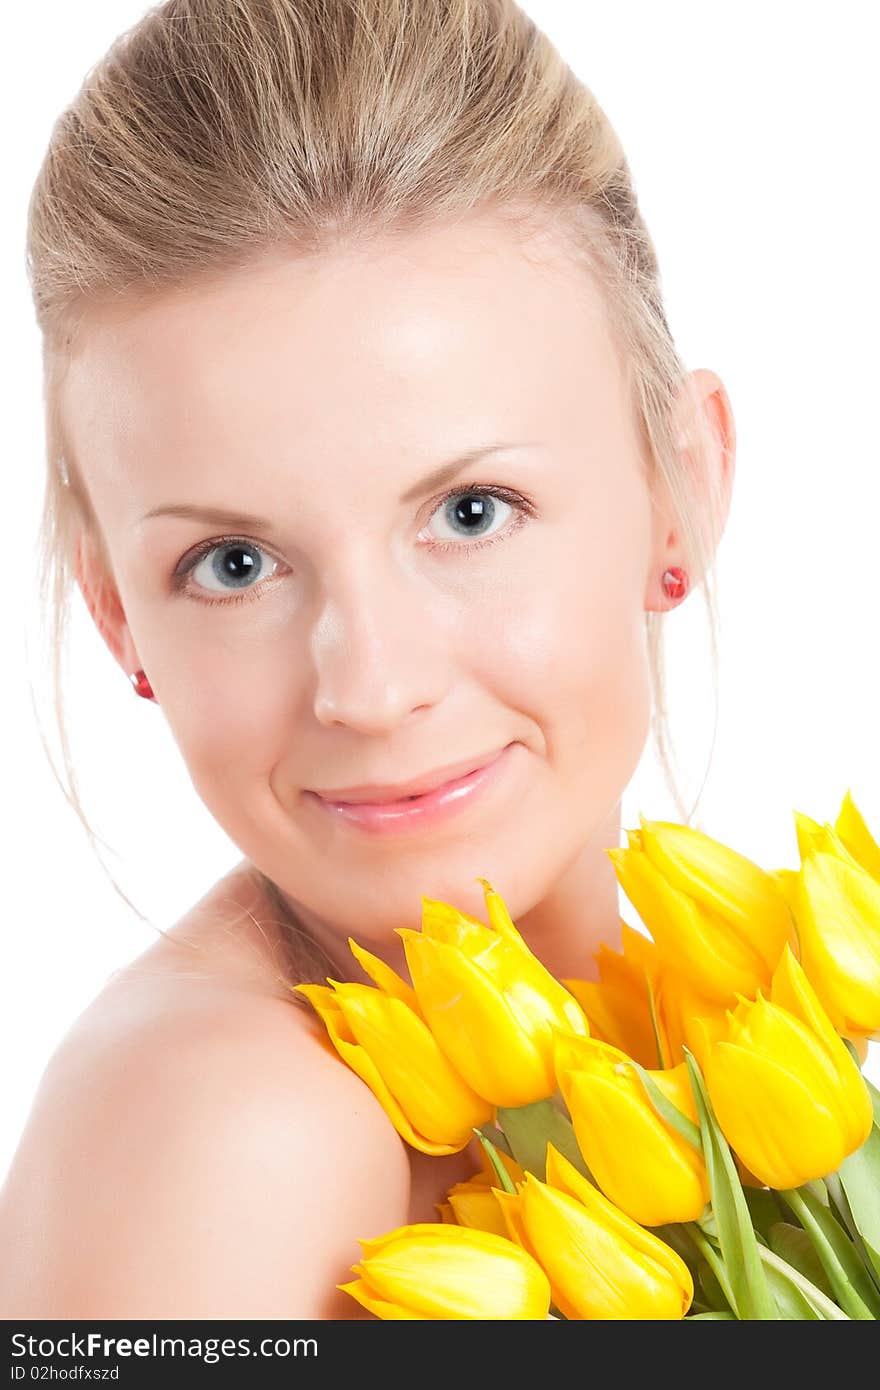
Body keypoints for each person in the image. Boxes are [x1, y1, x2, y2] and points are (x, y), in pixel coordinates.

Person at [0, 0, 734, 1318]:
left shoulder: (703, 1065)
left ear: (683, 489)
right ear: (121, 618)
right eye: (233, 562)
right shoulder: (233, 1129)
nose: (371, 686)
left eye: (468, 512)